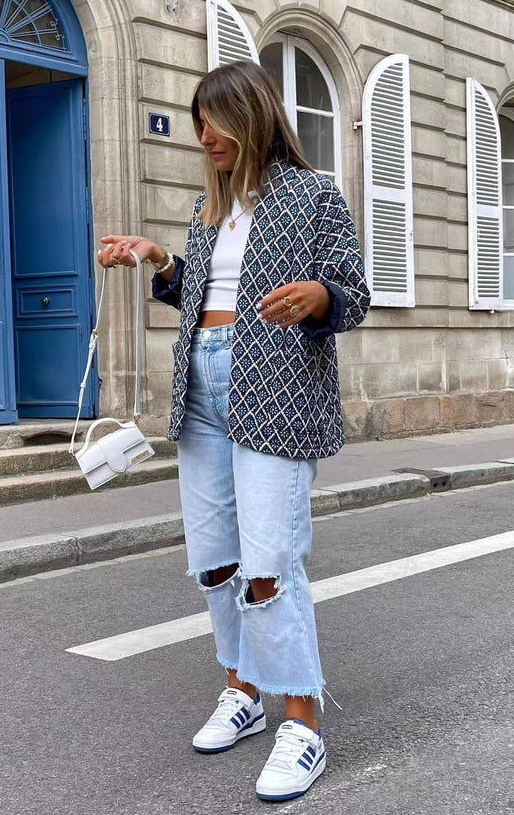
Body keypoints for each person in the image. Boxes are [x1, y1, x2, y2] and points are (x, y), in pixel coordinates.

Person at [97, 60, 370, 802]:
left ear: (250, 116)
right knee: (215, 559)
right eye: (197, 124)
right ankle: (243, 690)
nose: (205, 136)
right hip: (202, 388)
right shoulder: (207, 209)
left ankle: (303, 725)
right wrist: (159, 260)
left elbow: (355, 293)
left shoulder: (313, 197)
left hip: (276, 388)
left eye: (214, 121)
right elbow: (210, 293)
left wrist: (320, 296)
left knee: (269, 563)